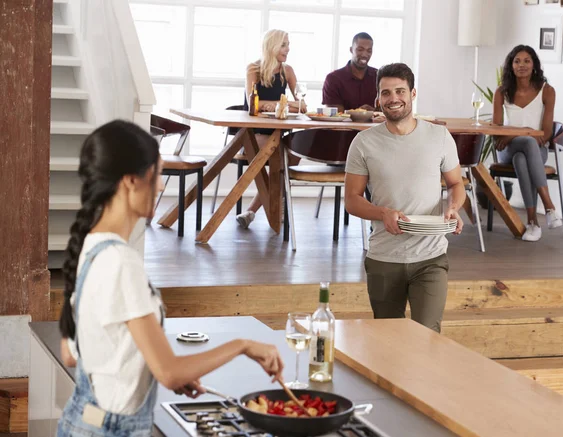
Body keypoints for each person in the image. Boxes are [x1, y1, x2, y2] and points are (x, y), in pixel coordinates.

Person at [57, 120, 284, 436]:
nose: (161, 186)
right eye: (157, 174)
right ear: (131, 181)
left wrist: (145, 369)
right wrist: (244, 345)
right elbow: (169, 373)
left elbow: (72, 353)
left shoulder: (89, 245)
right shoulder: (121, 261)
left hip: (82, 421)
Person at [344, 63, 465, 333]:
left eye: (400, 91)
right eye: (386, 93)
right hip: (384, 257)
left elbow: (456, 183)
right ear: (378, 99)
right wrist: (382, 213)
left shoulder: (439, 136)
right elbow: (352, 199)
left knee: (429, 337)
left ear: (413, 93)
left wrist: (453, 208)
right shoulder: (363, 143)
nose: (393, 98)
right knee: (388, 343)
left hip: (431, 256)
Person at [236, 29, 306, 229]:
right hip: (254, 134)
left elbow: (302, 105)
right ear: (272, 46)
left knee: (293, 156)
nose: (288, 49)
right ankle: (269, 208)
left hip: (279, 134)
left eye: (288, 44)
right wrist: (281, 104)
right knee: (279, 159)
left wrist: (275, 104)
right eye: (284, 44)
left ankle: (253, 211)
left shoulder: (288, 71)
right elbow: (254, 104)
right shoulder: (253, 70)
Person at [492, 45, 562, 242]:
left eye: (526, 61)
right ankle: (549, 207)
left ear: (534, 65)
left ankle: (532, 222)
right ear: (511, 66)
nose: (521, 65)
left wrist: (514, 134)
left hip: (536, 150)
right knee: (528, 143)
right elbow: (497, 130)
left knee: (523, 157)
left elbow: (546, 132)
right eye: (517, 61)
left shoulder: (547, 91)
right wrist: (524, 134)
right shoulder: (501, 92)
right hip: (507, 149)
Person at [322, 32, 378, 114]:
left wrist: (374, 112)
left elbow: (388, 111)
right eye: (360, 49)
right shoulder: (333, 79)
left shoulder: (379, 77)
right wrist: (357, 113)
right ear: (351, 50)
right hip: (343, 127)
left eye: (369, 51)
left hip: (375, 126)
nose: (365, 55)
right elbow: (333, 114)